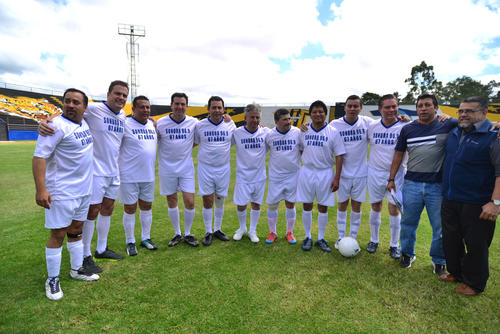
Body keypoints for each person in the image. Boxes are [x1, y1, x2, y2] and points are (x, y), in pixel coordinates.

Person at [38, 80, 129, 274]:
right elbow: (68, 113)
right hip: (95, 171)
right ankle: (86, 255)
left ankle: (102, 248)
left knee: (108, 208)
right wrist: (46, 120)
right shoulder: (94, 109)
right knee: (91, 211)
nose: (120, 98)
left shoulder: (122, 115)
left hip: (113, 170)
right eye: (117, 94)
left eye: (124, 95)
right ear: (108, 94)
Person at [33, 88, 99, 301]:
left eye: (76, 102)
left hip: (83, 190)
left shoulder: (84, 122)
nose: (70, 105)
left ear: (84, 107)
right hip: (62, 191)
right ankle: (52, 279)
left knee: (77, 229)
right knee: (58, 234)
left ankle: (76, 269)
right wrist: (41, 189)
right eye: (67, 101)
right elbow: (39, 157)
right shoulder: (54, 126)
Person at [388, 93, 457, 274]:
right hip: (412, 184)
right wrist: (391, 178)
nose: (423, 108)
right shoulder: (408, 129)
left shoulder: (447, 124)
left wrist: (452, 117)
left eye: (427, 105)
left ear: (436, 107)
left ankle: (439, 260)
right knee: (408, 223)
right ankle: (407, 254)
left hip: (437, 186)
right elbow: (398, 154)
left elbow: (470, 123)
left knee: (440, 226)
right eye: (420, 106)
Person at [440, 96, 500, 296]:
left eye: (470, 111)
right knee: (451, 239)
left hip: (477, 202)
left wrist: (495, 202)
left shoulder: (494, 136)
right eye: (461, 111)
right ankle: (456, 273)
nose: (463, 114)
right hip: (450, 198)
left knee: (476, 244)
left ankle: (474, 284)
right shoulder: (455, 132)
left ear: (484, 113)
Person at [298, 100, 345, 252]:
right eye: (314, 112)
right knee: (307, 204)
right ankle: (308, 237)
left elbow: (339, 156)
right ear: (310, 114)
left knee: (323, 206)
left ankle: (321, 238)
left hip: (325, 172)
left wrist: (337, 178)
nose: (318, 114)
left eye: (321, 111)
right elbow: (300, 149)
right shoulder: (304, 131)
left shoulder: (333, 132)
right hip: (307, 171)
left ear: (325, 114)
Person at [329, 95, 374, 247]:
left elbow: (386, 123)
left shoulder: (367, 123)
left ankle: (352, 238)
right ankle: (341, 237)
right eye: (350, 106)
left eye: (356, 106)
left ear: (361, 108)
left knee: (356, 206)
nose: (353, 109)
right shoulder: (335, 124)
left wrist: (403, 119)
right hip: (342, 175)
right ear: (345, 107)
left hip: (361, 174)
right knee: (342, 205)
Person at [366, 94, 406, 259]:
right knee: (375, 206)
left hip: (396, 175)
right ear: (380, 109)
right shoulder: (372, 126)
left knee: (393, 208)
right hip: (375, 172)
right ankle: (374, 240)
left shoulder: (405, 126)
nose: (391, 110)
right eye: (387, 107)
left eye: (394, 106)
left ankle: (394, 245)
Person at [157, 93, 199, 247]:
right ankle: (177, 233)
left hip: (186, 169)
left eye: (183, 104)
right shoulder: (160, 123)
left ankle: (188, 233)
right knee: (172, 200)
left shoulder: (194, 122)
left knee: (189, 201)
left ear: (186, 106)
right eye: (177, 104)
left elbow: (197, 141)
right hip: (167, 169)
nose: (179, 107)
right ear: (171, 105)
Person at [194, 96, 236, 246]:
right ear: (208, 109)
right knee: (207, 200)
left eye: (219, 107)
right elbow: (196, 141)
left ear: (223, 109)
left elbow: (233, 142)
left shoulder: (231, 124)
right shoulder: (200, 126)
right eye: (214, 107)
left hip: (223, 168)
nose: (217, 110)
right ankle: (208, 231)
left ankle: (217, 229)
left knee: (220, 199)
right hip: (206, 168)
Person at [119, 96, 158, 256]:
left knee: (146, 207)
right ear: (133, 109)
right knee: (130, 208)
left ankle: (145, 238)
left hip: (148, 175)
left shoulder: (152, 124)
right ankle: (130, 241)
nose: (145, 110)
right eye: (141, 107)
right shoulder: (125, 124)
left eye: (148, 107)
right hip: (129, 175)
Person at [232, 104, 269, 243]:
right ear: (245, 118)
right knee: (241, 204)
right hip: (243, 176)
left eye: (257, 117)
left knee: (256, 203)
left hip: (259, 176)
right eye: (252, 117)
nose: (254, 120)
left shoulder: (266, 132)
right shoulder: (237, 132)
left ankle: (253, 230)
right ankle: (242, 228)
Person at [264, 108, 302, 244]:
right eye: (285, 119)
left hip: (293, 175)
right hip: (276, 176)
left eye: (289, 119)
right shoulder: (269, 135)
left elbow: (303, 151)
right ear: (276, 121)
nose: (288, 122)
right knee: (272, 205)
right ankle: (272, 232)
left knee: (290, 204)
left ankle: (289, 232)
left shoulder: (297, 133)